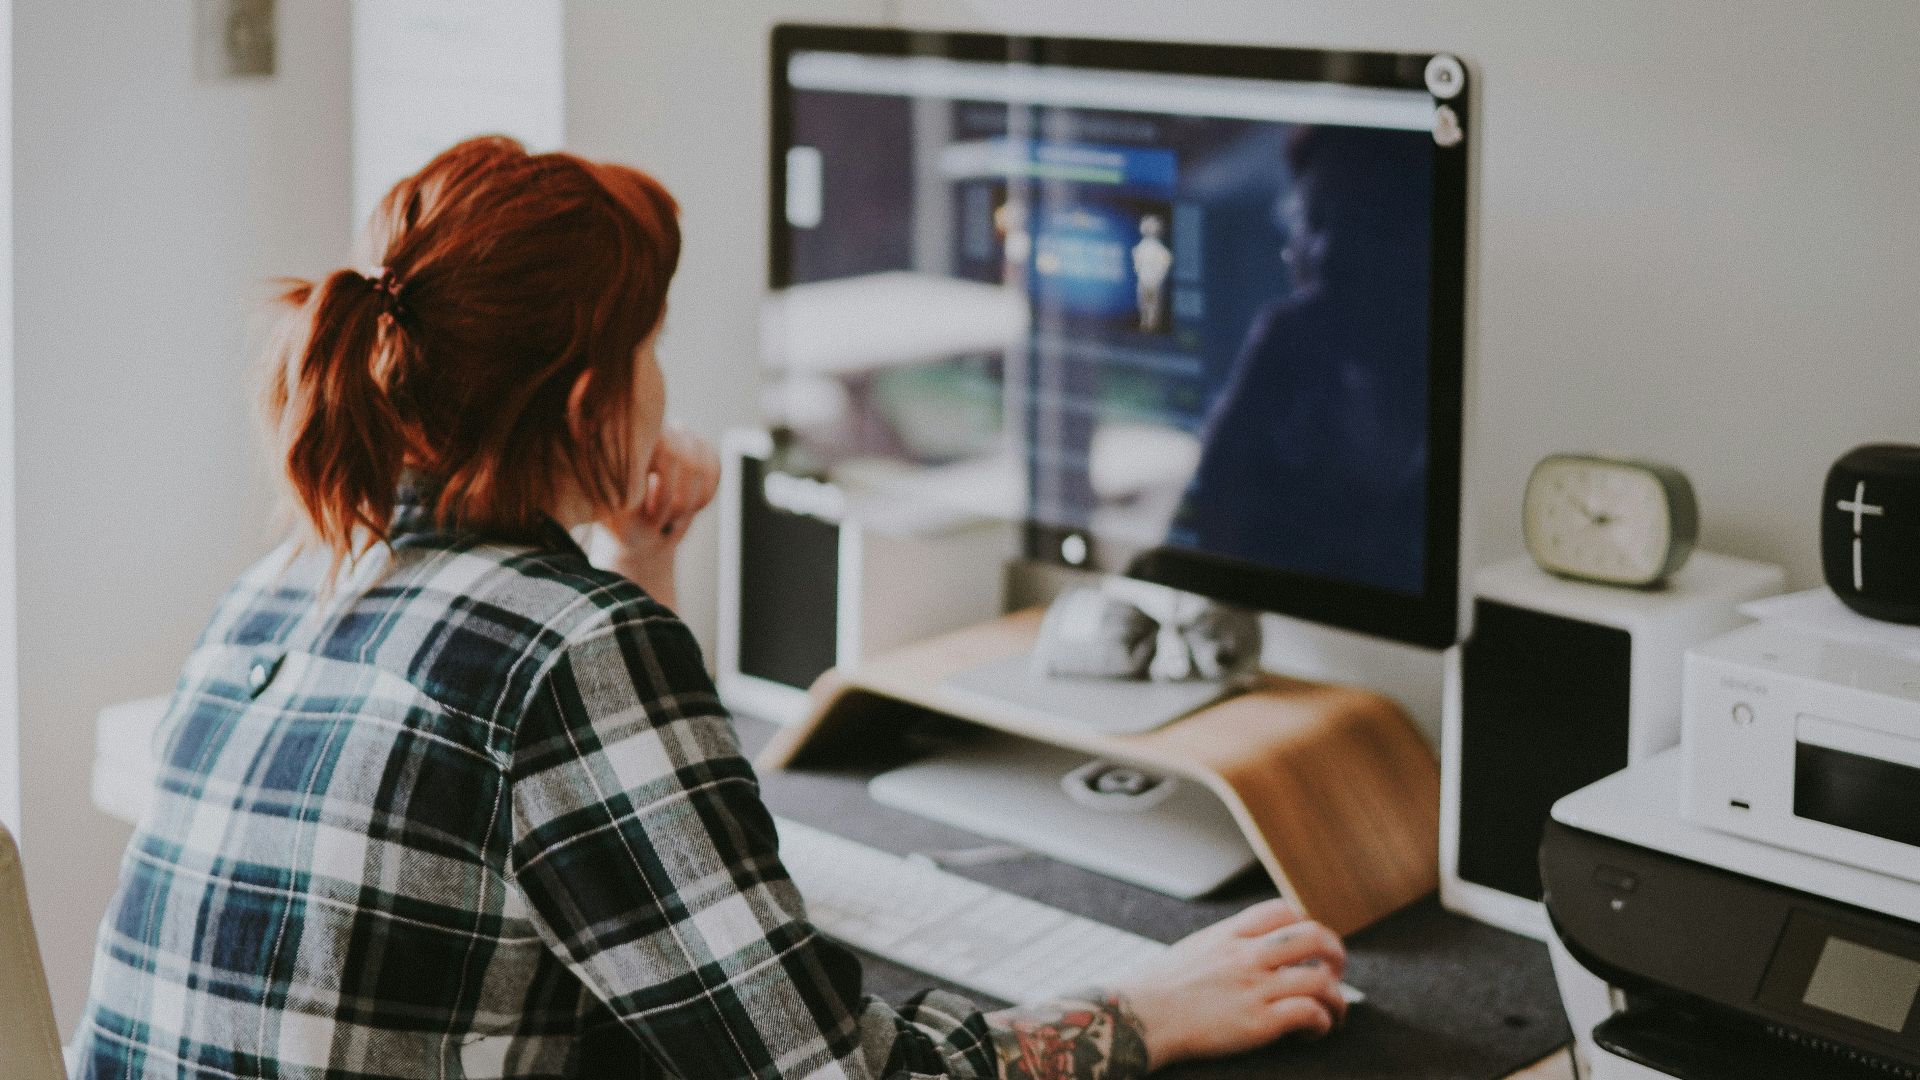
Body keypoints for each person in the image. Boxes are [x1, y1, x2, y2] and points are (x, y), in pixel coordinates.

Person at [70, 136, 1348, 1080]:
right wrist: (1149, 1008)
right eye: (652, 344)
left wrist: (636, 558)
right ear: (590, 408)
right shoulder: (571, 648)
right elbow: (833, 1076)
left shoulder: (287, 580)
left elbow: (606, 860)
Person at [1177, 126, 1434, 594]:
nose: (1328, 252)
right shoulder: (1283, 379)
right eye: (1313, 220)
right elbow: (1188, 554)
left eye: (1361, 220)